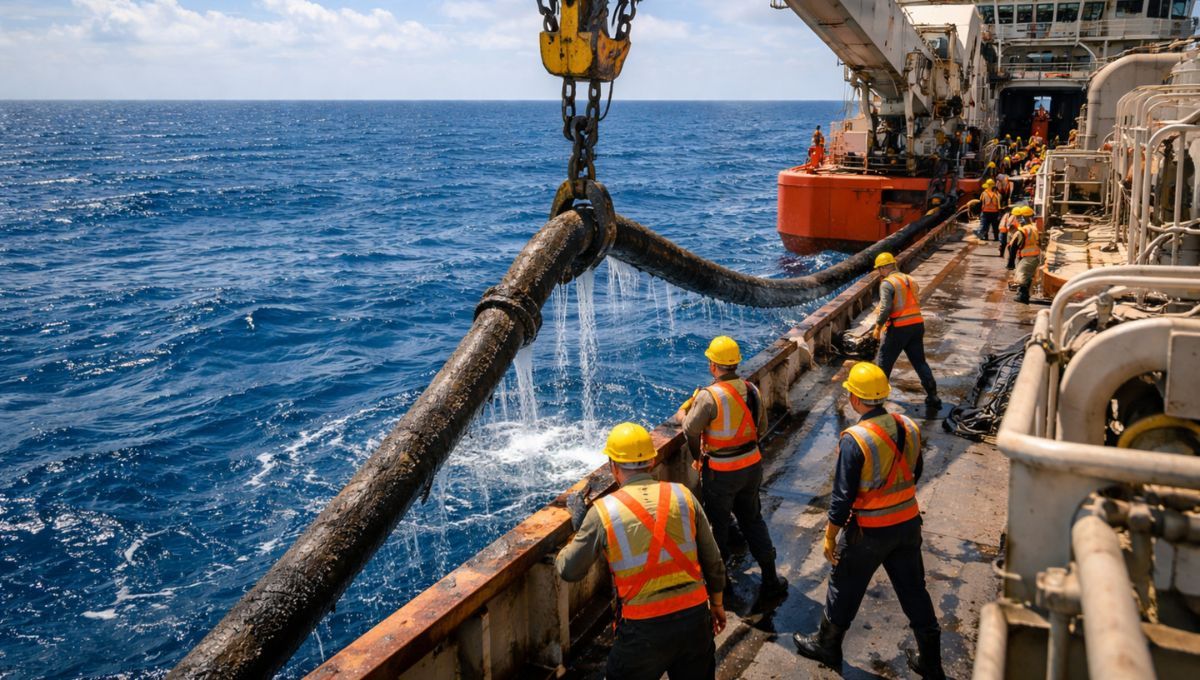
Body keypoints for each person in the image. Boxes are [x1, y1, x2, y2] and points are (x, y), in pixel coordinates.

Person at [793, 363, 945, 679]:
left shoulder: (855, 439)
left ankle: (827, 645)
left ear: (854, 398)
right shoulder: (908, 426)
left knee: (844, 586)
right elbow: (914, 473)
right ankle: (930, 661)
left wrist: (831, 535)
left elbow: (842, 498)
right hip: (907, 524)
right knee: (914, 590)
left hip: (869, 533)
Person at [557, 422, 727, 680]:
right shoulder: (683, 495)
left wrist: (580, 528)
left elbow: (569, 570)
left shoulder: (604, 512)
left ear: (614, 467)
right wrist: (716, 603)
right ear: (651, 461)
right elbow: (713, 560)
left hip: (643, 631)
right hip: (694, 619)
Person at [675, 336, 788, 604]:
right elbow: (761, 429)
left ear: (713, 365)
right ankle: (771, 577)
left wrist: (683, 415)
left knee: (719, 527)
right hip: (751, 466)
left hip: (721, 473)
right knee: (753, 519)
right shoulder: (752, 390)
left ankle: (722, 585)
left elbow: (690, 430)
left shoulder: (708, 397)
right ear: (735, 364)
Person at [869, 254, 941, 409]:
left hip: (899, 328)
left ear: (884, 267)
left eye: (879, 269)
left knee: (884, 363)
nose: (878, 273)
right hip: (917, 325)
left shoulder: (887, 284)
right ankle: (933, 395)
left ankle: (877, 400)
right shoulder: (910, 279)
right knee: (919, 362)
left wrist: (878, 326)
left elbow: (886, 308)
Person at [1006, 207, 1041, 303]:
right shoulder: (1033, 228)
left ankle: (1022, 295)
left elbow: (1012, 247)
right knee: (1027, 276)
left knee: (1021, 276)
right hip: (1035, 257)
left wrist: (1010, 263)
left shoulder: (1021, 231)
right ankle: (1023, 294)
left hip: (1027, 257)